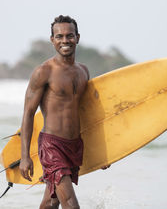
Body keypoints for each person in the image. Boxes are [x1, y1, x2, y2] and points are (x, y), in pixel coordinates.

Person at [19, 15, 107, 209]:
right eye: (59, 37)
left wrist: (100, 153)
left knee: (51, 202)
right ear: (52, 40)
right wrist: (25, 156)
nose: (65, 41)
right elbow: (28, 113)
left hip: (75, 145)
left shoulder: (83, 71)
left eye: (70, 36)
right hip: (52, 146)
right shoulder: (44, 72)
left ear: (78, 37)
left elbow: (87, 113)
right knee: (71, 205)